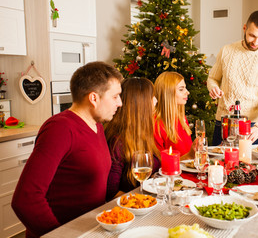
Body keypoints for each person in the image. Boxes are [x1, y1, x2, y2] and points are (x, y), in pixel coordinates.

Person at [11, 62, 123, 238]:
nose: (120, 103)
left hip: (91, 230)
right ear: (94, 98)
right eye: (116, 96)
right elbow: (26, 199)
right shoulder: (60, 129)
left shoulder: (97, 126)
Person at [207, 10, 258, 145]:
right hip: (223, 123)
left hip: (252, 127)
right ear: (244, 28)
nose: (256, 41)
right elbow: (213, 78)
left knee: (249, 166)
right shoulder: (227, 50)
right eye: (252, 35)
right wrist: (213, 87)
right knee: (217, 165)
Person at [105, 78, 160, 201]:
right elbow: (111, 192)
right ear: (140, 103)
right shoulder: (117, 142)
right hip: (131, 208)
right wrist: (142, 202)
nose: (156, 100)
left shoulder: (141, 133)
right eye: (152, 96)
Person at [154, 71, 195, 160]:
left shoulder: (181, 118)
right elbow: (161, 165)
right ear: (168, 93)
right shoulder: (156, 124)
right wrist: (190, 156)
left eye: (185, 88)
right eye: (181, 89)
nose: (187, 92)